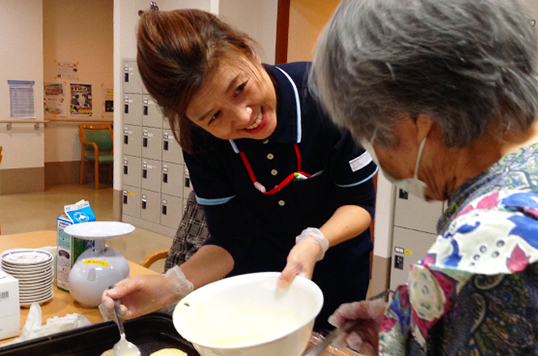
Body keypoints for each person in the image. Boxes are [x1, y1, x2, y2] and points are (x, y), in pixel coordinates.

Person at [310, 0, 538, 356]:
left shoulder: (494, 245)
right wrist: (415, 324)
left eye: (370, 135)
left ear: (419, 122)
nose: (381, 159)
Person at [101, 8, 377, 330]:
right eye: (214, 117)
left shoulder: (323, 92)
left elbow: (359, 203)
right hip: (253, 284)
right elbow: (230, 238)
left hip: (334, 277)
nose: (244, 117)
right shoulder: (199, 139)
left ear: (248, 51)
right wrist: (168, 287)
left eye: (239, 88)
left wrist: (316, 241)